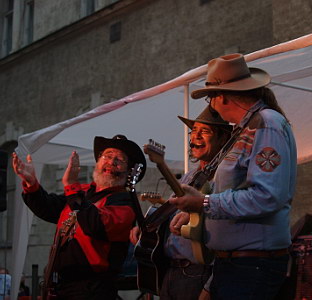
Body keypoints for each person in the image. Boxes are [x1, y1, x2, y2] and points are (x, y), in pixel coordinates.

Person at [169, 53, 297, 300]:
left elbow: (267, 196)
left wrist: (204, 203)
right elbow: (235, 191)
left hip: (251, 266)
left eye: (210, 98)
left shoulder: (265, 124)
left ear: (221, 97)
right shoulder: (249, 128)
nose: (211, 106)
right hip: (237, 264)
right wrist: (197, 209)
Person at [12, 135, 146, 300]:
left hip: (92, 290)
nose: (111, 162)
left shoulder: (124, 201)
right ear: (98, 161)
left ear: (128, 171)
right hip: (60, 287)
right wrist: (31, 183)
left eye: (119, 160)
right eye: (108, 156)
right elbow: (48, 207)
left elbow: (96, 224)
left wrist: (71, 186)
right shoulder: (81, 192)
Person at [130, 107, 232, 300]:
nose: (196, 136)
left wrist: (211, 284)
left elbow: (227, 231)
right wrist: (146, 226)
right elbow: (172, 211)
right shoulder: (190, 176)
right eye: (193, 131)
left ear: (223, 138)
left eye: (205, 131)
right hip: (172, 271)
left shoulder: (226, 177)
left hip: (201, 273)